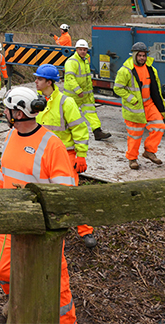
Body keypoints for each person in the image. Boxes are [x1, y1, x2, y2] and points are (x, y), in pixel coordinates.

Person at [0, 86, 77, 323]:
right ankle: (19, 300)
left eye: (7, 109)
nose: (3, 113)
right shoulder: (10, 137)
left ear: (18, 113)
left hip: (41, 229)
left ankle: (64, 320)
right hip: (9, 221)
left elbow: (65, 193)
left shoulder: (52, 145)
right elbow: (4, 173)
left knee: (54, 281)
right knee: (3, 270)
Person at [32, 64, 96, 248]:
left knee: (71, 195)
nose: (35, 81)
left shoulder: (65, 102)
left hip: (65, 155)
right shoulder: (37, 102)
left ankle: (86, 231)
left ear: (49, 82)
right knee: (42, 192)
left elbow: (80, 128)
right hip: (42, 156)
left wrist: (81, 155)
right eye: (36, 78)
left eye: (39, 79)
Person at [113, 42, 165, 170]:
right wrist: (132, 99)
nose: (142, 58)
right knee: (135, 135)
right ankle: (132, 159)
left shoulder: (151, 69)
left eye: (144, 55)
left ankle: (149, 151)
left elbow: (155, 89)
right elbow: (117, 88)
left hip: (149, 104)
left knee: (159, 126)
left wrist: (160, 106)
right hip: (134, 108)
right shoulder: (125, 70)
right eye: (139, 55)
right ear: (134, 55)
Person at [64, 39, 111, 141]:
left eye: (84, 50)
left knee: (91, 113)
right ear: (76, 50)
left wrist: (89, 93)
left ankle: (97, 132)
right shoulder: (72, 62)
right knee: (68, 116)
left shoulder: (85, 61)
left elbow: (87, 78)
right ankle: (63, 133)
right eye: (80, 49)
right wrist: (78, 90)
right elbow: (70, 78)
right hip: (73, 96)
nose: (83, 52)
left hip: (85, 96)